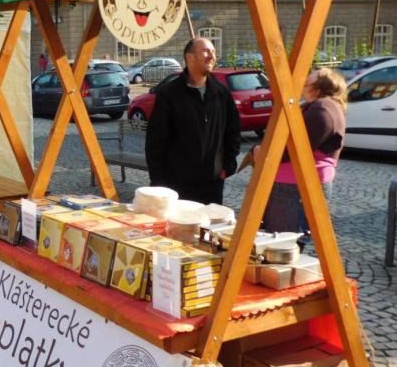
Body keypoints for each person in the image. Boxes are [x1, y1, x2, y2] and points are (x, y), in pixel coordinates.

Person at [146, 38, 241, 204]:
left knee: (208, 229)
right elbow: (155, 141)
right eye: (206, 51)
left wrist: (228, 166)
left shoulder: (221, 93)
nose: (211, 56)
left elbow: (233, 131)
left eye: (213, 52)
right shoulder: (169, 94)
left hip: (212, 184)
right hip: (177, 186)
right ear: (189, 58)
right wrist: (158, 183)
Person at [260, 68, 347, 234]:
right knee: (283, 240)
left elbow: (294, 149)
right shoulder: (321, 107)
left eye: (309, 82)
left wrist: (264, 153)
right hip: (295, 184)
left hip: (295, 186)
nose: (304, 84)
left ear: (321, 86)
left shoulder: (322, 109)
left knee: (283, 241)